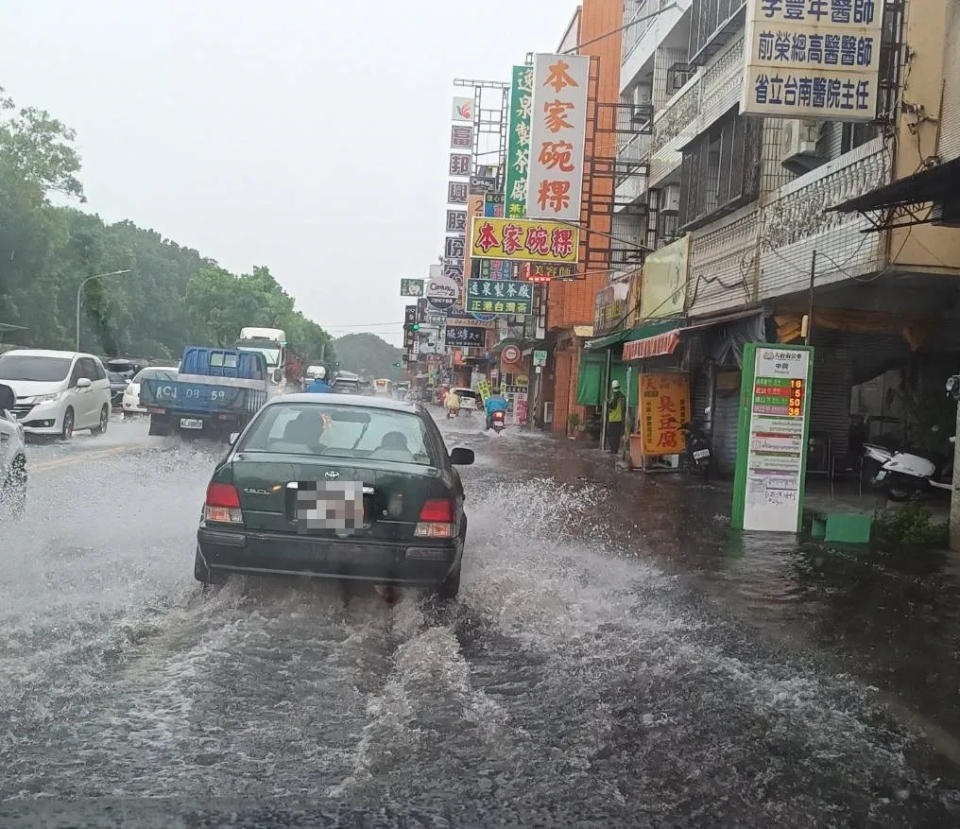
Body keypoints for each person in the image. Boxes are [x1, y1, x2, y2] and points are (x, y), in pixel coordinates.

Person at [606, 380, 626, 454]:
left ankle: (613, 450)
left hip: (613, 419)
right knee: (617, 436)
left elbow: (613, 406)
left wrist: (608, 402)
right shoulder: (622, 396)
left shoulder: (614, 396)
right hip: (620, 419)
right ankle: (615, 450)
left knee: (611, 435)